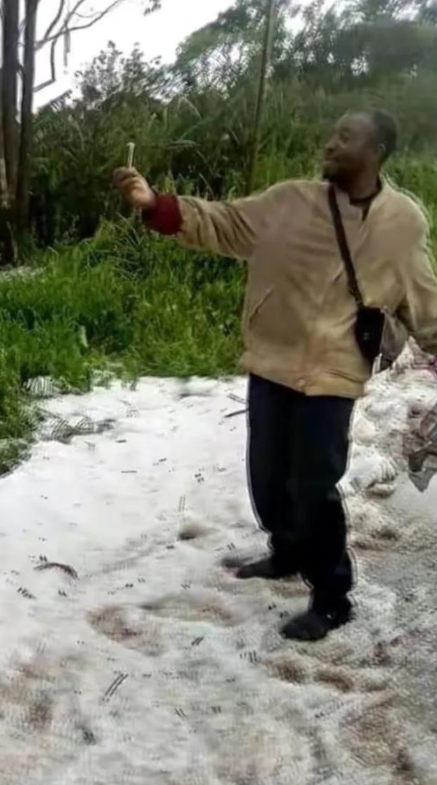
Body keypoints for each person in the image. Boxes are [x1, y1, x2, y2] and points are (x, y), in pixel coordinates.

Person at [115, 109, 437, 641]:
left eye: (347, 138)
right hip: (273, 359)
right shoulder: (290, 201)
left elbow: (423, 297)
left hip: (333, 371)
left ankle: (332, 597)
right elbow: (224, 222)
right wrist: (156, 205)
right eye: (332, 133)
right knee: (266, 475)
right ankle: (285, 553)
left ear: (376, 153)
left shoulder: (402, 224)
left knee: (313, 485)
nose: (332, 143)